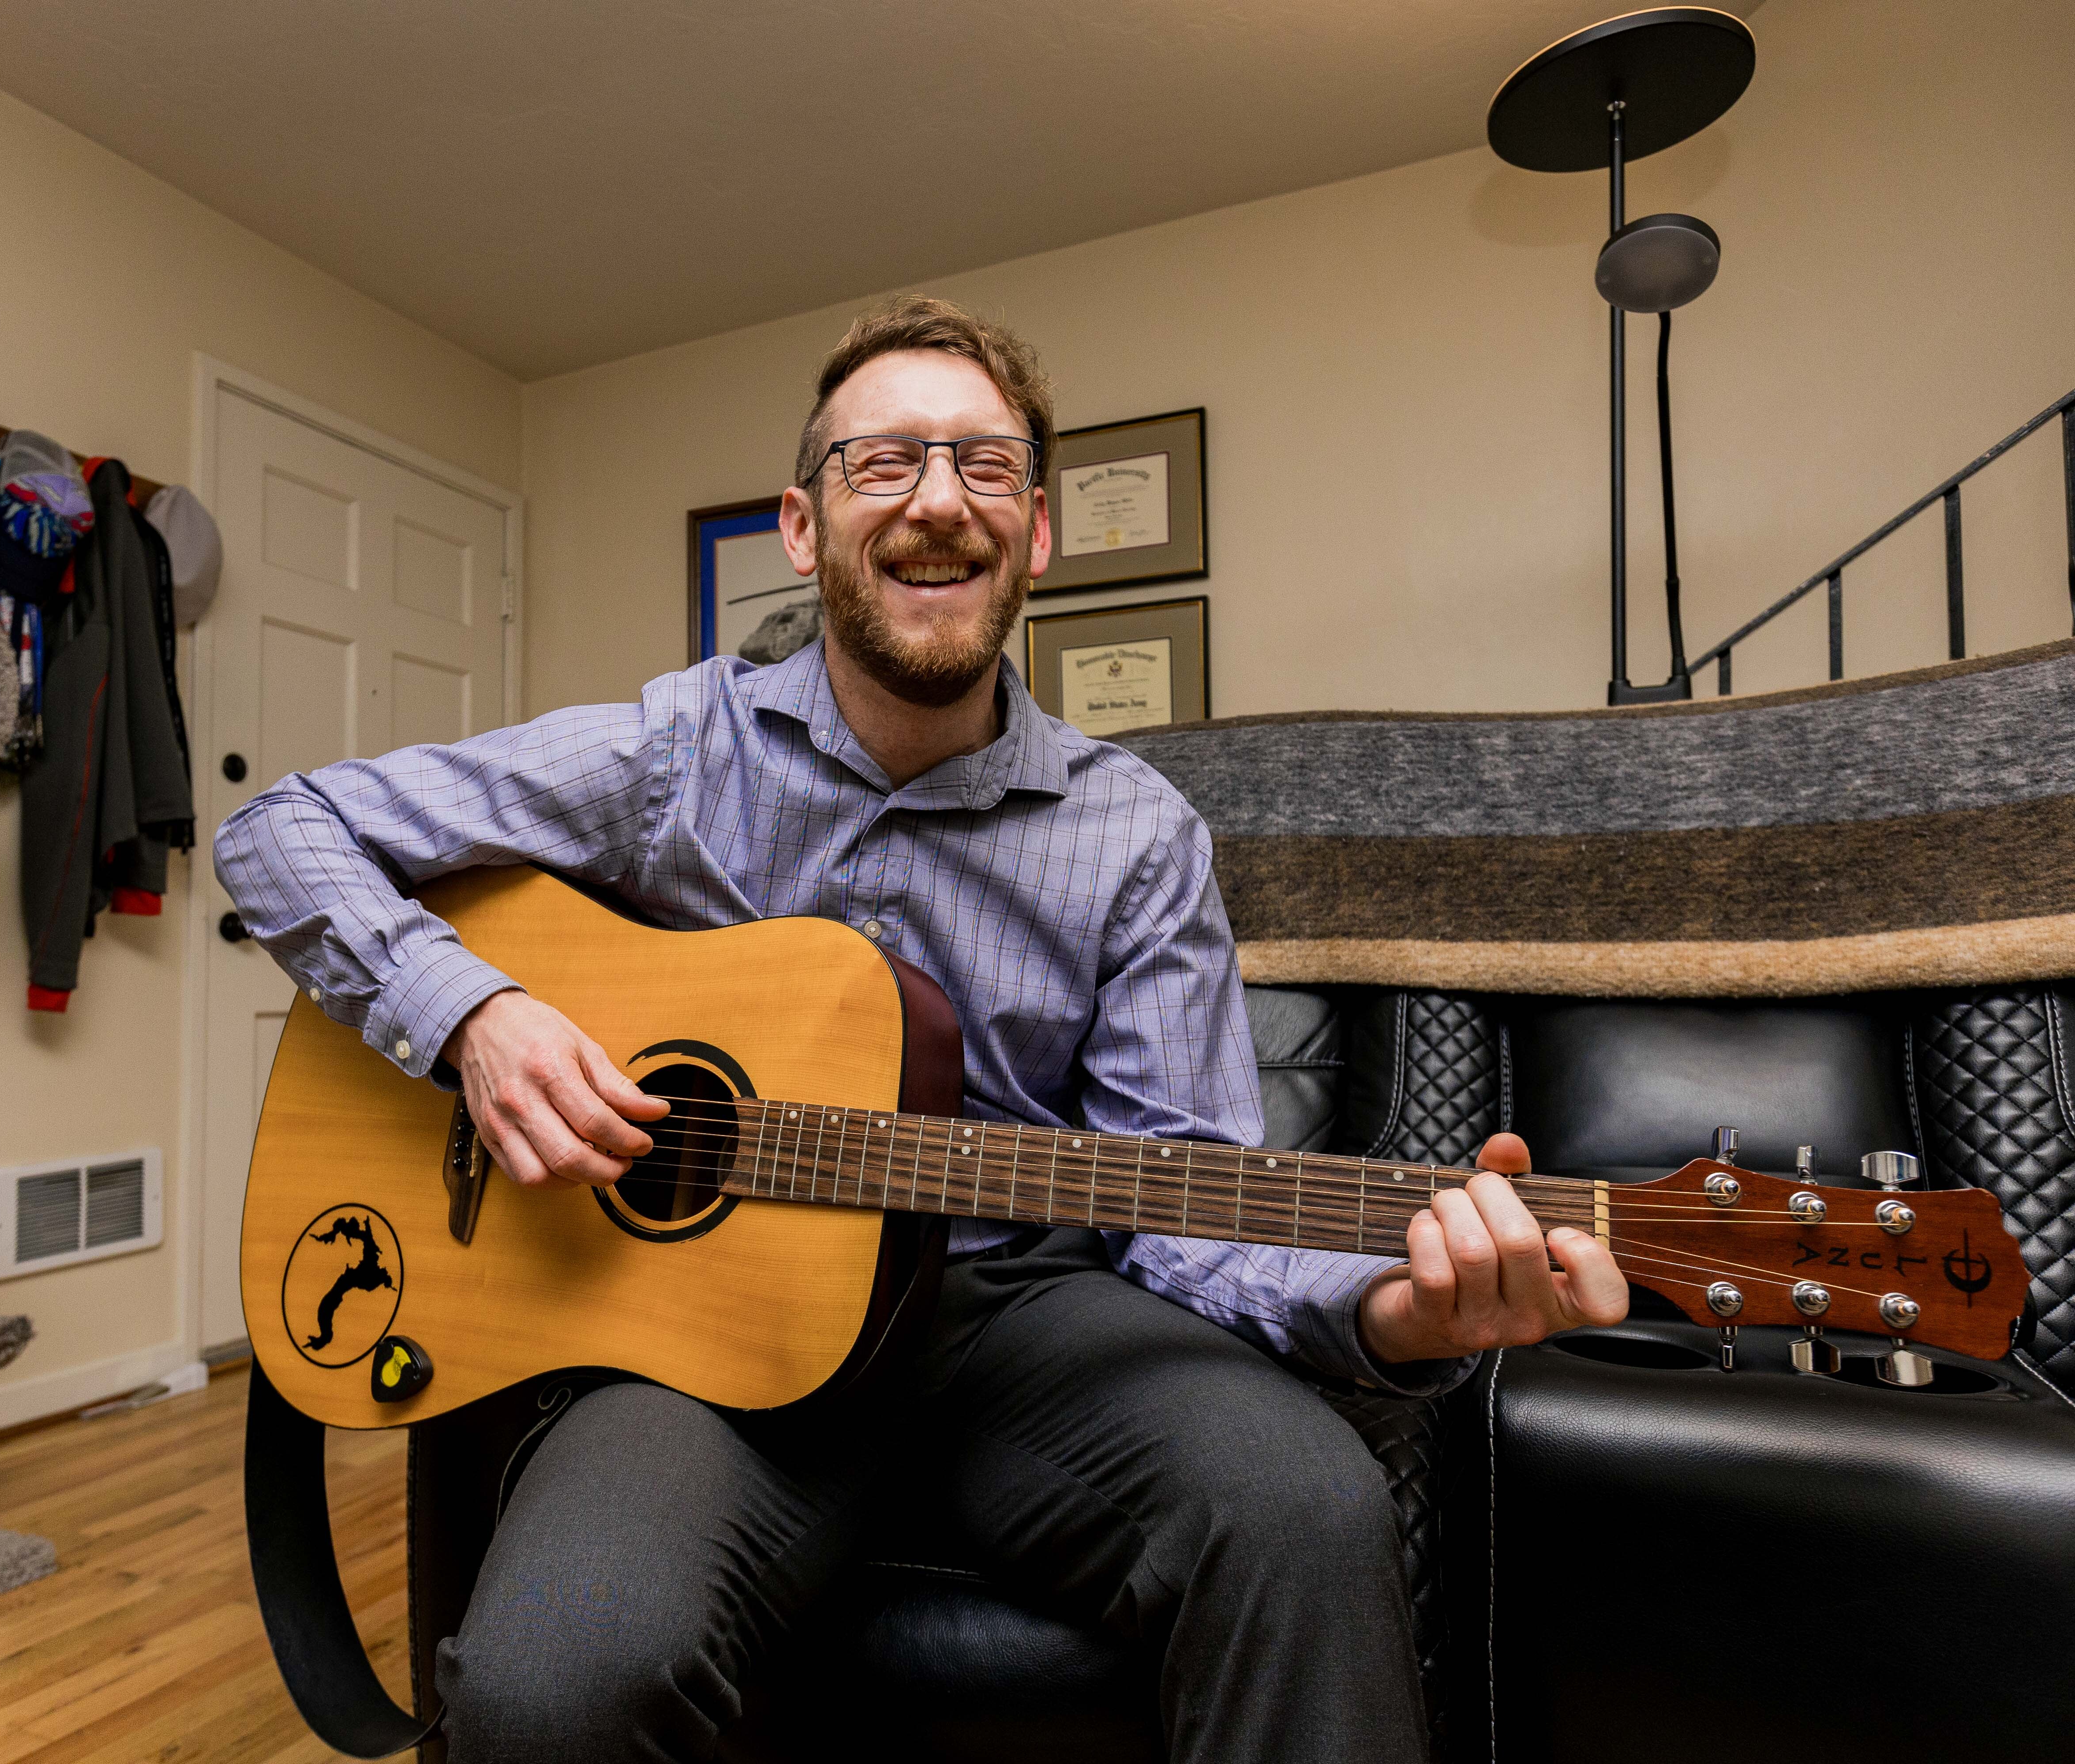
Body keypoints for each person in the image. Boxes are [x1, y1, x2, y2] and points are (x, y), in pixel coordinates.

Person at [215, 294, 1629, 1763]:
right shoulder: (671, 752)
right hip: (710, 1354)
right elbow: (279, 829)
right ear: (805, 526)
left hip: (1021, 1323)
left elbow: (1193, 1199)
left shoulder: (1134, 833)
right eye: (884, 463)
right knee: (547, 1683)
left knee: (1309, 1510)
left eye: (988, 466)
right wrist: (479, 1016)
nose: (939, 501)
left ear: (1039, 533)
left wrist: (1390, 1316)